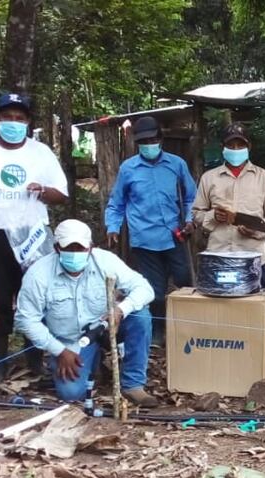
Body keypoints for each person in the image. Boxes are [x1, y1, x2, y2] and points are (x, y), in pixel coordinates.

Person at [0, 93, 69, 383]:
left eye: (19, 118)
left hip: (33, 235)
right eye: (7, 117)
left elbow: (61, 193)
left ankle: (35, 360)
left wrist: (43, 190)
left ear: (28, 122)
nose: (13, 123)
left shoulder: (41, 152)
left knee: (37, 298)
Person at [14, 220, 160, 407]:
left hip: (107, 327)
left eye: (80, 248)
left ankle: (133, 384)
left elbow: (144, 289)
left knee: (140, 316)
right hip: (71, 341)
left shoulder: (106, 261)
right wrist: (59, 351)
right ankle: (89, 362)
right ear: (57, 248)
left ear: (91, 247)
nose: (75, 254)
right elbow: (26, 320)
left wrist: (120, 310)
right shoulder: (38, 274)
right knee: (72, 393)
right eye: (69, 248)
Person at [105, 117, 197, 347]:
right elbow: (117, 203)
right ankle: (158, 331)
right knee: (154, 290)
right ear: (138, 143)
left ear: (160, 139)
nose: (149, 144)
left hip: (175, 235)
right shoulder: (129, 168)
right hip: (144, 238)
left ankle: (188, 329)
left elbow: (191, 197)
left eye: (153, 139)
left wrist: (190, 220)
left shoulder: (176, 164)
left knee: (185, 280)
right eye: (144, 141)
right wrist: (113, 227)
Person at [193, 123, 265, 289]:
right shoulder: (209, 178)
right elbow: (197, 213)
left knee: (254, 307)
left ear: (249, 147)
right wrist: (212, 217)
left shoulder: (264, 178)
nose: (235, 149)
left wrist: (257, 230)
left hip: (254, 257)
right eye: (230, 145)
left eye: (240, 145)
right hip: (218, 255)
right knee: (220, 307)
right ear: (223, 148)